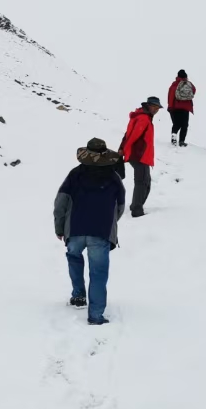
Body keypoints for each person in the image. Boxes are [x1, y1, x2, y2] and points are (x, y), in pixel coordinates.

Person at [53, 138, 126, 325]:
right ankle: (95, 316)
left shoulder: (75, 175)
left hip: (75, 229)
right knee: (98, 273)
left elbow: (60, 203)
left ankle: (78, 296)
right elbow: (120, 206)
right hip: (100, 231)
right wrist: (109, 223)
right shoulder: (114, 177)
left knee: (74, 258)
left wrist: (60, 227)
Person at [119, 96, 161, 217]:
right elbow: (132, 136)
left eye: (157, 107)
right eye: (154, 106)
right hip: (138, 155)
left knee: (145, 182)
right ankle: (137, 210)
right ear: (148, 105)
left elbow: (127, 134)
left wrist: (122, 148)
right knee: (142, 182)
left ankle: (135, 205)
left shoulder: (142, 116)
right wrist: (124, 149)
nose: (156, 109)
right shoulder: (143, 118)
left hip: (140, 155)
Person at [167, 70, 196, 146]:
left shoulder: (174, 85)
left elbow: (171, 96)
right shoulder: (188, 84)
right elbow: (194, 90)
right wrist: (188, 83)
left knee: (176, 124)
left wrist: (170, 106)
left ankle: (174, 137)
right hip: (185, 108)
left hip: (175, 107)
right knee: (185, 125)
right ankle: (181, 141)